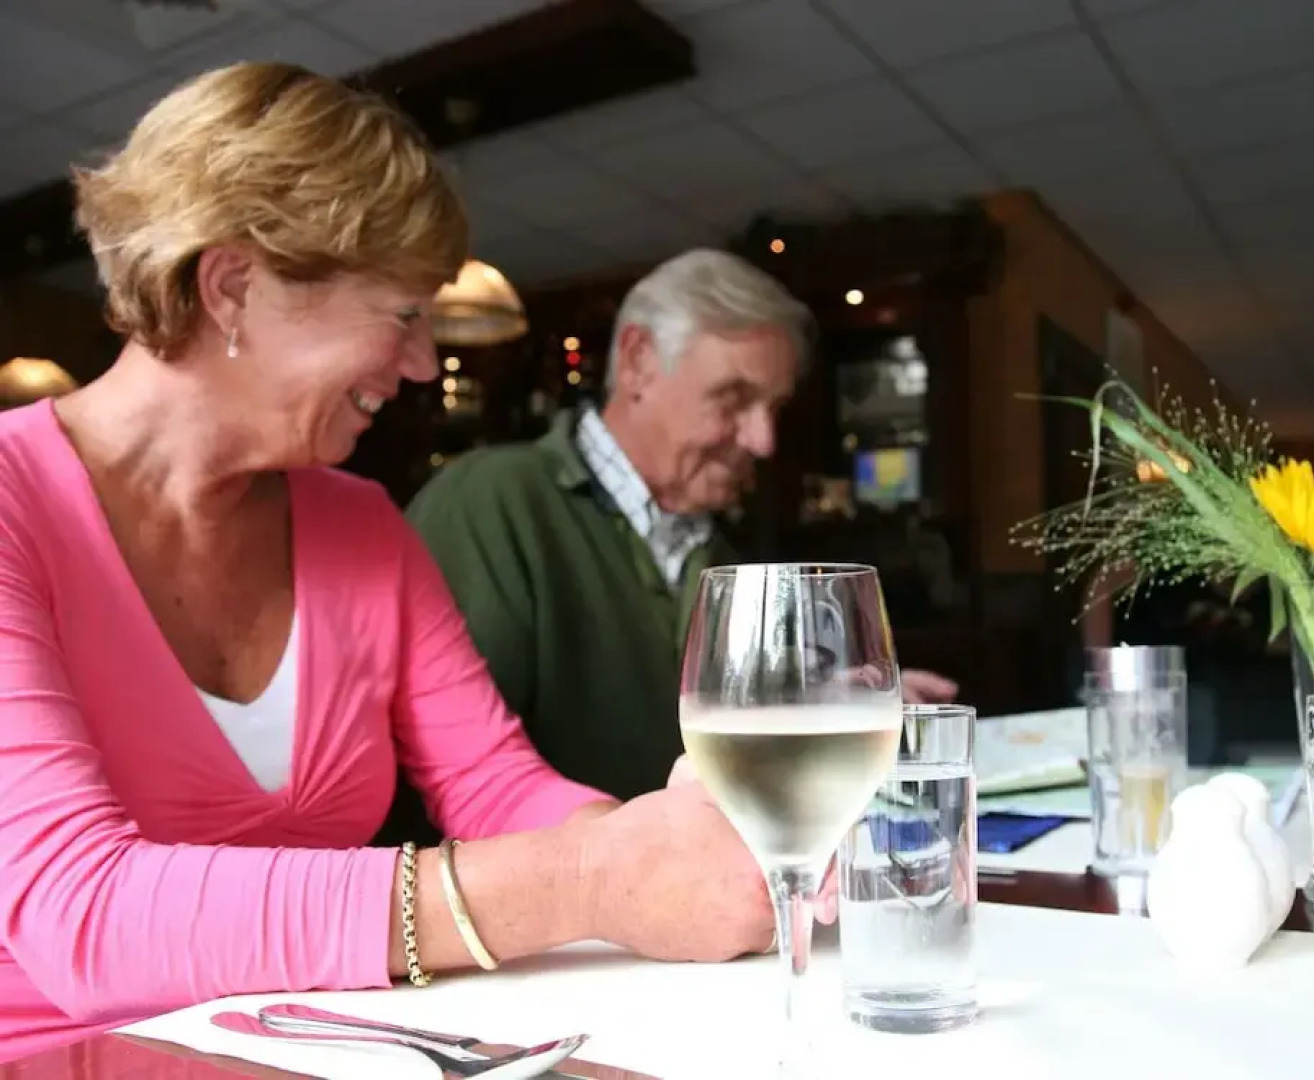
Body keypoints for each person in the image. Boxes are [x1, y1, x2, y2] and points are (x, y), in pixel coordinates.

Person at [0, 62, 775, 1063]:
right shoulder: (12, 503)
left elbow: (495, 788)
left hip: (324, 1046)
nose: (421, 363)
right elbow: (82, 912)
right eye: (403, 315)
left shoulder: (359, 522)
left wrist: (666, 844)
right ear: (233, 287)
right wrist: (585, 879)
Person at [408, 250, 957, 801]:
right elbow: (454, 781)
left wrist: (834, 701)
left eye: (774, 408)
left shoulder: (717, 555)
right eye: (734, 399)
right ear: (640, 362)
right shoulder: (491, 504)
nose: (763, 440)